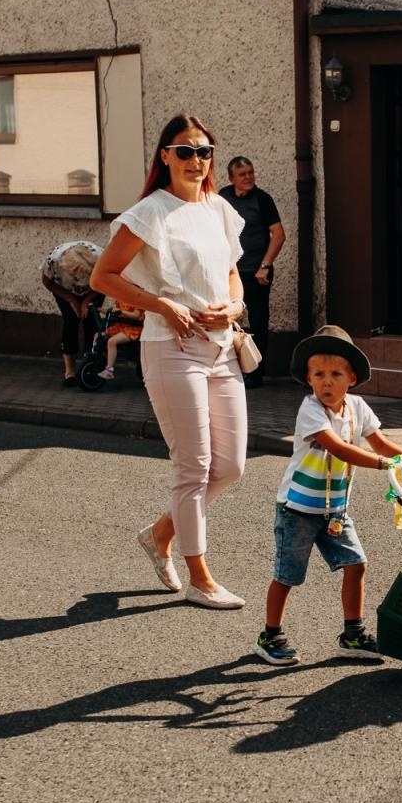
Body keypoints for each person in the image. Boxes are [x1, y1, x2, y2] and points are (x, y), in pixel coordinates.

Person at [90, 114, 250, 609]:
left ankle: (160, 534)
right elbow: (103, 276)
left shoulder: (220, 209)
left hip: (221, 347)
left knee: (232, 466)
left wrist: (236, 304)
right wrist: (163, 304)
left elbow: (232, 274)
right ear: (164, 156)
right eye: (184, 151)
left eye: (203, 151)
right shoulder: (150, 213)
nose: (196, 161)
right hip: (171, 348)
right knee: (194, 466)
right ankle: (200, 577)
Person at [253, 326, 402, 665]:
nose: (327, 382)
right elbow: (339, 449)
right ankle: (270, 634)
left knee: (356, 564)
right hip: (299, 509)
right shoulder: (311, 411)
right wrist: (385, 464)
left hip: (335, 510)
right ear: (308, 379)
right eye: (318, 374)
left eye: (335, 374)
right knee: (288, 574)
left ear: (351, 378)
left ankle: (352, 634)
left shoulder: (357, 407)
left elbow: (379, 443)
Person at [217, 156, 285, 387]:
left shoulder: (262, 199)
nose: (248, 178)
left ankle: (256, 373)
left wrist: (264, 266)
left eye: (251, 173)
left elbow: (278, 234)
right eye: (243, 174)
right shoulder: (222, 198)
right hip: (228, 272)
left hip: (256, 272)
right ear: (231, 178)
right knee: (226, 320)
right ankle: (226, 368)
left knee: (257, 322)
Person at [39, 240, 103, 387]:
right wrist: (72, 301)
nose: (78, 281)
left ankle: (90, 364)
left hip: (94, 290)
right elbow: (48, 283)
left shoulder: (101, 258)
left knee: (91, 322)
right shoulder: (53, 261)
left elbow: (106, 282)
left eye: (82, 276)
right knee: (70, 321)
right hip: (65, 290)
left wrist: (86, 301)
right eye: (75, 276)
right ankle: (70, 371)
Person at [98, 300, 144, 383]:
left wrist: (122, 312)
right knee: (98, 336)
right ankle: (98, 358)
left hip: (133, 328)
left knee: (112, 341)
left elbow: (136, 315)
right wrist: (100, 310)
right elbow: (114, 311)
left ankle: (109, 370)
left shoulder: (136, 299)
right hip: (121, 326)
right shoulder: (120, 298)